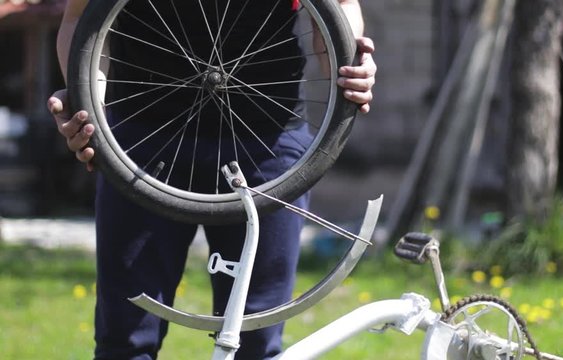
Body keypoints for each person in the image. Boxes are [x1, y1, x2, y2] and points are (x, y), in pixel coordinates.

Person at [48, 0, 376, 359]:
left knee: (256, 340)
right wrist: (86, 105)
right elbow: (81, 20)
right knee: (126, 342)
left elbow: (339, 8)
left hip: (265, 142)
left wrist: (349, 64)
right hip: (141, 142)